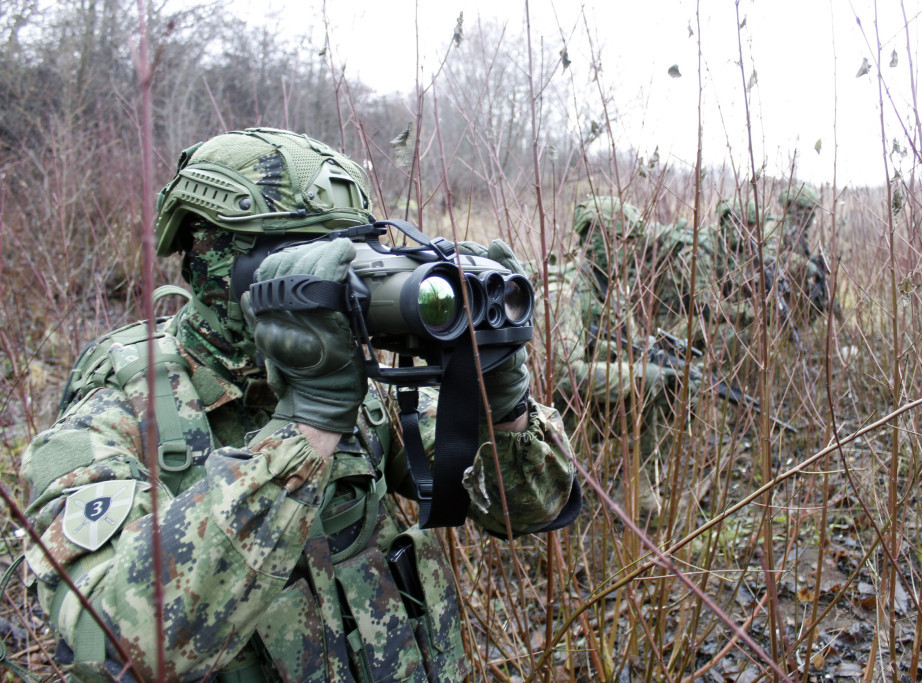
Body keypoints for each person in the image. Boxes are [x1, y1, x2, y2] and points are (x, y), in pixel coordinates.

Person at [20, 128, 579, 681]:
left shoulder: (369, 388)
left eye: (354, 253)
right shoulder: (117, 413)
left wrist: (498, 398)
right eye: (301, 256)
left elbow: (528, 509)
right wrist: (308, 425)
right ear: (204, 254)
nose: (340, 281)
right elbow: (113, 641)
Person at [543, 195, 693, 516]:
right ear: (594, 238)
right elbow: (563, 375)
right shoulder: (568, 291)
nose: (628, 250)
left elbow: (631, 344)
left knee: (670, 379)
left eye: (631, 241)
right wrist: (635, 374)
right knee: (650, 379)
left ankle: (641, 486)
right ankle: (572, 496)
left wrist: (660, 355)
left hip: (596, 403)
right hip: (560, 414)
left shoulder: (611, 289)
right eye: (618, 240)